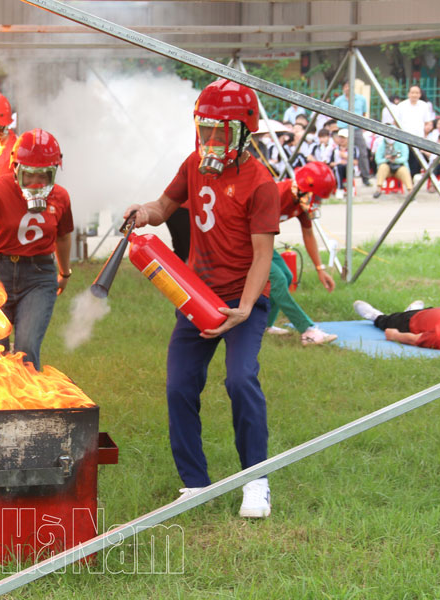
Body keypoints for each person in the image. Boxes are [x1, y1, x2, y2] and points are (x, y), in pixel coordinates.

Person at [124, 79, 279, 518]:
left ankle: (255, 479)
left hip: (242, 299)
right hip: (198, 294)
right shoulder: (194, 162)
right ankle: (194, 484)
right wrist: (143, 212)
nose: (211, 140)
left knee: (240, 379)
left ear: (244, 132)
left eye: (221, 131)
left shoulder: (261, 182)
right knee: (179, 385)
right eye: (205, 128)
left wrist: (245, 309)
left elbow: (263, 256)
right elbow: (163, 206)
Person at [0, 128, 73, 371]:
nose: (35, 182)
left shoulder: (61, 197)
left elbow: (63, 238)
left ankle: (27, 406)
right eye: (29, 174)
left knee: (26, 348)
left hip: (39, 275)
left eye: (43, 175)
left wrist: (64, 272)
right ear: (16, 167)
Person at [266, 163, 338, 345]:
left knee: (287, 276)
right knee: (277, 280)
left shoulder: (301, 200)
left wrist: (320, 269)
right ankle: (307, 330)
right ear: (304, 189)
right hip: (243, 240)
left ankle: (265, 326)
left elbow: (308, 234)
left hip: (260, 240)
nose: (317, 203)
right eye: (317, 198)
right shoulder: (276, 194)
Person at [353, 300, 440, 349]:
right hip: (430, 313)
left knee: (387, 321)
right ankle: (410, 310)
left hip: (411, 321)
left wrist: (395, 335)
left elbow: (414, 339)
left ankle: (375, 316)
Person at [332, 82, 372, 186]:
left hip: (356, 128)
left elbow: (364, 114)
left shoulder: (361, 99)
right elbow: (334, 114)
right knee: (337, 151)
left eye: (350, 86)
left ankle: (365, 177)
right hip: (343, 128)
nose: (348, 89)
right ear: (343, 88)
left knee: (362, 152)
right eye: (346, 87)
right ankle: (337, 177)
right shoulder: (338, 101)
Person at [395, 84, 435, 177]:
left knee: (417, 160)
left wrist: (426, 133)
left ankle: (413, 179)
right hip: (404, 137)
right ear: (409, 94)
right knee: (405, 158)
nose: (414, 95)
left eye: (417, 93)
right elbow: (396, 121)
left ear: (420, 94)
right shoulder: (401, 105)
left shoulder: (424, 106)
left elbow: (427, 122)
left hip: (418, 137)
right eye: (412, 92)